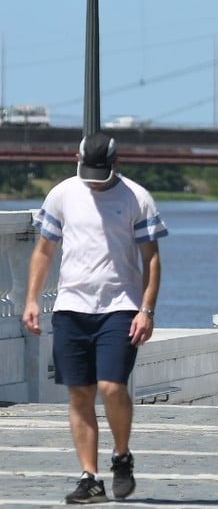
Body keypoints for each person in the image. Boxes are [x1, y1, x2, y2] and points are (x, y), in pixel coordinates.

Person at [22, 132, 168, 504]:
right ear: (77, 159)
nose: (93, 180)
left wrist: (146, 310)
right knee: (79, 394)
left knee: (111, 387)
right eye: (88, 171)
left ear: (116, 164)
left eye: (100, 173)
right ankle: (90, 477)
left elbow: (151, 258)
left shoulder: (136, 198)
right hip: (71, 307)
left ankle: (122, 456)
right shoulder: (62, 194)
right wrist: (32, 300)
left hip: (120, 307)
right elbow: (43, 251)